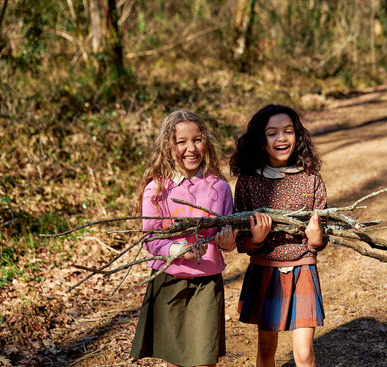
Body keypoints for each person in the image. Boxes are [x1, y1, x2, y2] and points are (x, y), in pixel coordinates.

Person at [130, 110, 238, 367]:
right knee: (175, 361)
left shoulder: (219, 187)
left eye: (197, 139)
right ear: (168, 147)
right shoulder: (156, 189)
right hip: (169, 282)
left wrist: (226, 242)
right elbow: (151, 239)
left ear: (206, 142)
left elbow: (230, 238)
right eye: (181, 142)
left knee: (204, 359)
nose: (191, 148)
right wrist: (176, 248)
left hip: (206, 284)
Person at [229, 104, 328, 367]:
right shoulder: (249, 182)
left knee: (305, 354)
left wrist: (316, 239)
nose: (281, 138)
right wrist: (257, 239)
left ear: (298, 136)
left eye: (288, 131)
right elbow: (242, 242)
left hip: (303, 267)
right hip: (265, 270)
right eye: (272, 133)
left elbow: (322, 237)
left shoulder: (311, 179)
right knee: (266, 349)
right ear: (261, 141)